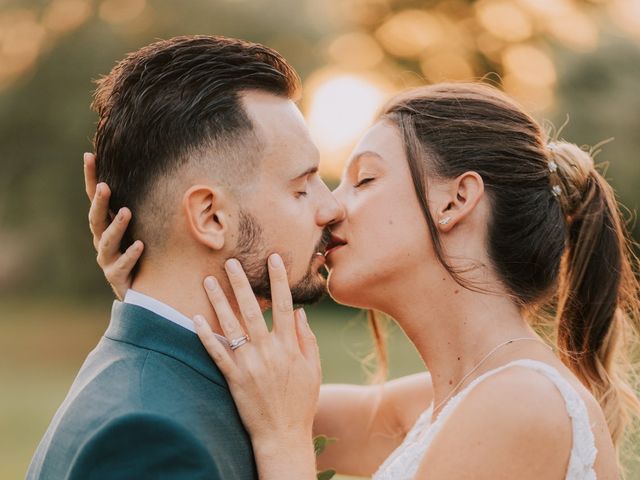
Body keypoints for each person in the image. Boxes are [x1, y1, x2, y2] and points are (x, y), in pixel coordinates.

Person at [90, 83, 640, 479]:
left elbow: (280, 424)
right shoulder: (448, 399)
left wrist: (284, 445)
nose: (330, 210)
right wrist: (160, 280)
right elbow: (229, 404)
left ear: (456, 200)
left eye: (365, 179)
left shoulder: (521, 406)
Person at [27, 35, 343, 479]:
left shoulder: (173, 381)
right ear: (211, 217)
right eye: (301, 187)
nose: (331, 208)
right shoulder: (150, 440)